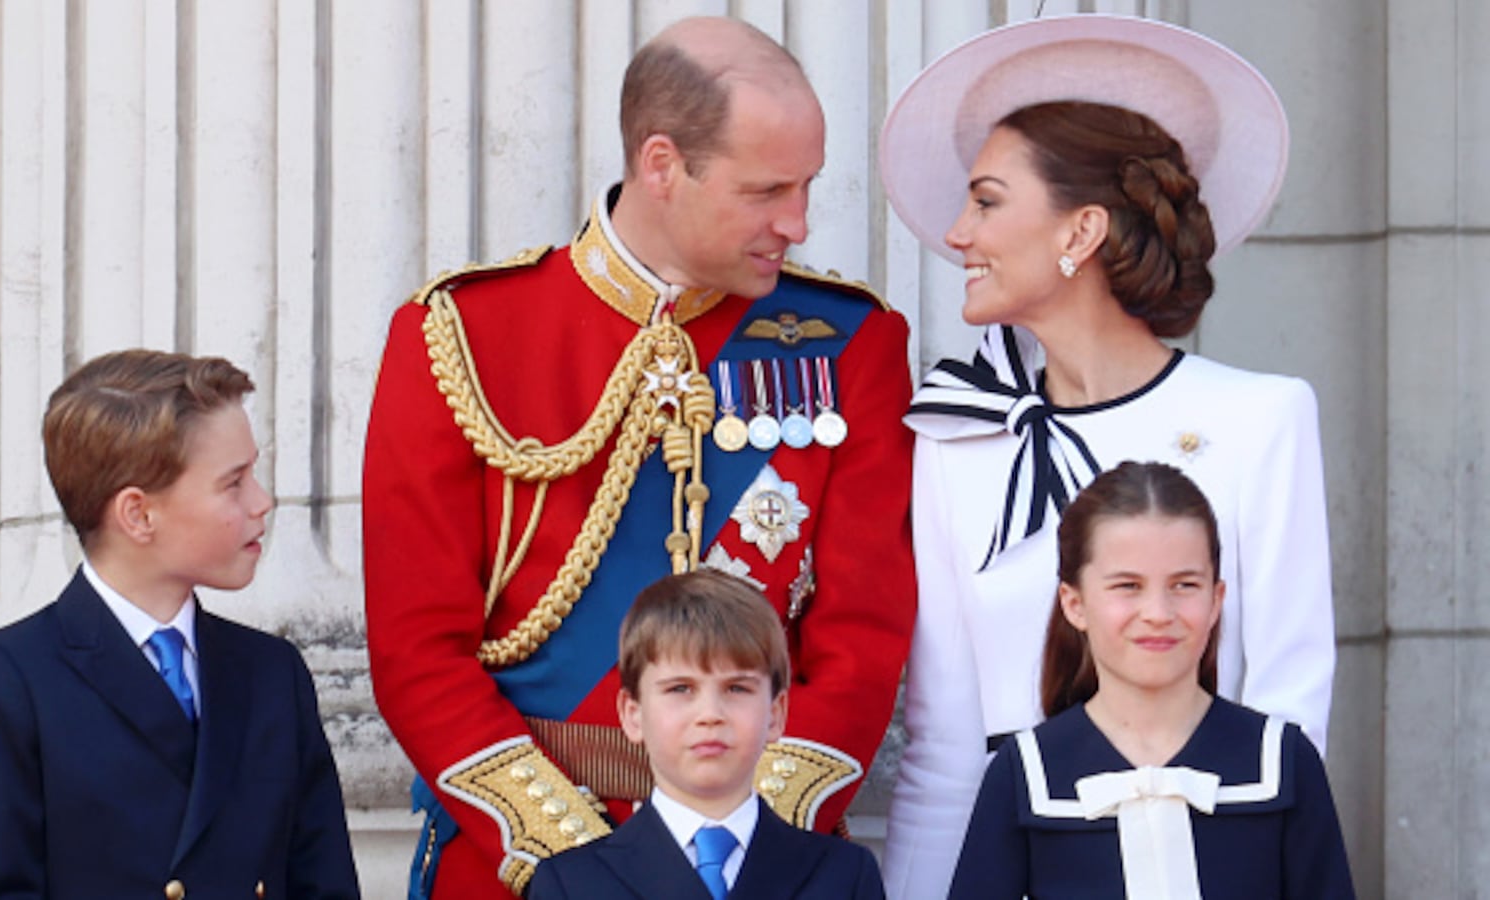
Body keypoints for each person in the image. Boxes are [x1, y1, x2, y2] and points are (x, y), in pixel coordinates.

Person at [363, 15, 916, 899]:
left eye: (808, 187)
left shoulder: (851, 343)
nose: (799, 222)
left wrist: (739, 846)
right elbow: (416, 650)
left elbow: (862, 641)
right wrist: (592, 868)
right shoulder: (462, 336)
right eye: (768, 190)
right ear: (661, 165)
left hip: (760, 864)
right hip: (523, 867)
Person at [876, 15, 1336, 898]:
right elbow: (941, 748)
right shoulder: (957, 438)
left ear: (1080, 231)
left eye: (986, 200)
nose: (957, 233)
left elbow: (1290, 714)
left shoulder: (1261, 418)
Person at [0, 349, 360, 900]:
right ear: (138, 514)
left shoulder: (272, 674)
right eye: (233, 483)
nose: (263, 501)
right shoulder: (9, 679)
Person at [948, 462, 1354, 898]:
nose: (1159, 613)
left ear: (1217, 600)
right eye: (1127, 586)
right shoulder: (1025, 773)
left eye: (1184, 585)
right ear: (1074, 603)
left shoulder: (1282, 761)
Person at [527, 571, 886, 899]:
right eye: (681, 689)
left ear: (776, 714)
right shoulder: (571, 885)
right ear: (632, 714)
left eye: (737, 689)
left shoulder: (843, 875)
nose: (710, 714)